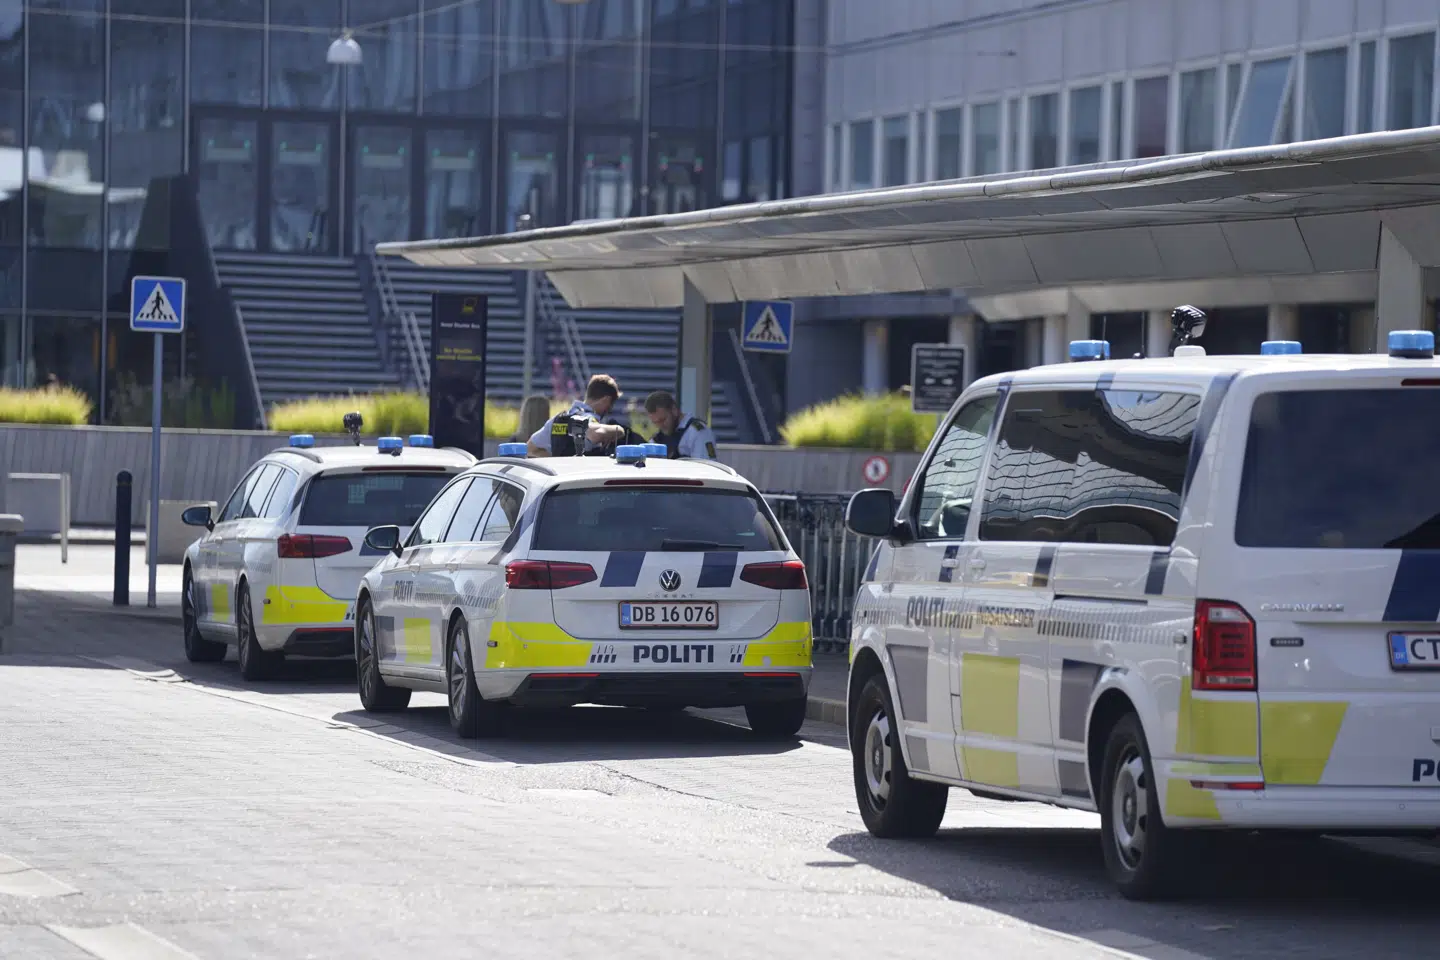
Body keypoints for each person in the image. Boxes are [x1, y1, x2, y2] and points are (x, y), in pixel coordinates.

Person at [527, 374, 629, 457]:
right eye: (611, 404)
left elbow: (530, 449)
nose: (610, 409)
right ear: (606, 399)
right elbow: (594, 434)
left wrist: (558, 461)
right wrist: (619, 430)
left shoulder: (557, 420)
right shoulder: (587, 418)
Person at [643, 390, 719, 460]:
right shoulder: (657, 440)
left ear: (674, 410)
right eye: (655, 422)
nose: (660, 426)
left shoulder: (698, 433)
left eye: (663, 420)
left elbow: (706, 468)